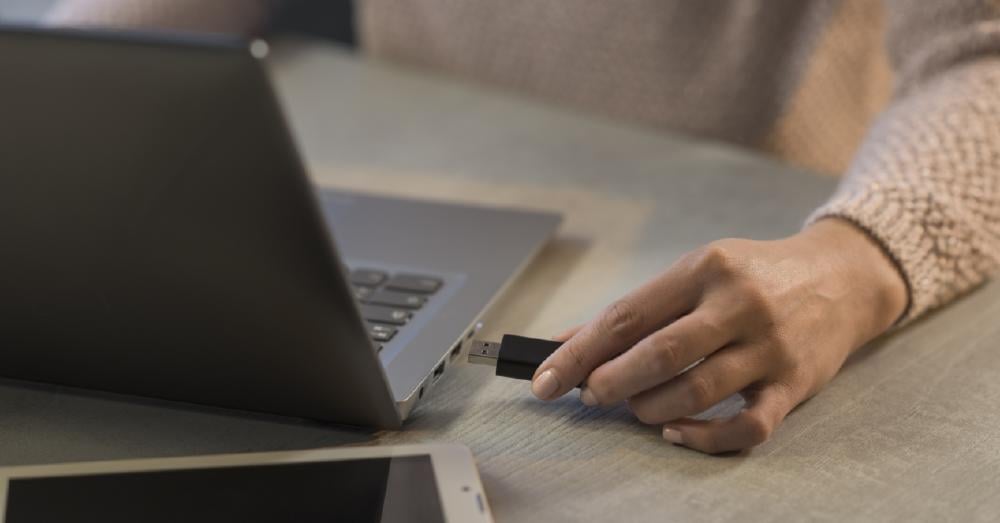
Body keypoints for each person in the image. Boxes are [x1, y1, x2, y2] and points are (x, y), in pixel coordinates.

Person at [46, 0, 1000, 454]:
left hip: (745, 267)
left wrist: (859, 258)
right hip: (410, 187)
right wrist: (39, 97)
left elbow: (983, 57)